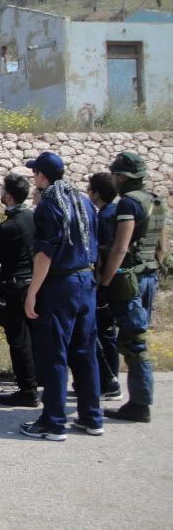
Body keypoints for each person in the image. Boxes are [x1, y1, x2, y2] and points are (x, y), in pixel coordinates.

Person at [21, 151, 102, 441]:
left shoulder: (49, 203)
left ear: (42, 176)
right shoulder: (83, 201)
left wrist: (32, 292)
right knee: (85, 352)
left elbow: (45, 254)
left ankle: (53, 422)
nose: (34, 177)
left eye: (35, 173)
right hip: (85, 278)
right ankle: (92, 417)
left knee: (54, 353)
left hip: (60, 283)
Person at [99, 152, 167, 424]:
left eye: (115, 175)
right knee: (137, 337)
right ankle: (139, 400)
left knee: (134, 343)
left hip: (130, 280)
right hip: (148, 276)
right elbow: (161, 247)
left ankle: (139, 403)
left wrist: (105, 281)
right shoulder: (156, 201)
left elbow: (120, 247)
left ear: (122, 177)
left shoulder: (128, 203)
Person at [0, 173, 40, 407]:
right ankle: (37, 379)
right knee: (34, 337)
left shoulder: (7, 227)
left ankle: (27, 390)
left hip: (14, 286)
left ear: (8, 196)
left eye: (2, 189)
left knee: (19, 341)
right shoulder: (34, 218)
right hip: (34, 283)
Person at [86, 171, 122, 401]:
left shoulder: (105, 217)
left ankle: (109, 381)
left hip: (105, 282)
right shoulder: (113, 212)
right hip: (112, 281)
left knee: (103, 333)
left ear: (96, 193)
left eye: (90, 189)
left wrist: (101, 283)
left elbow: (104, 253)